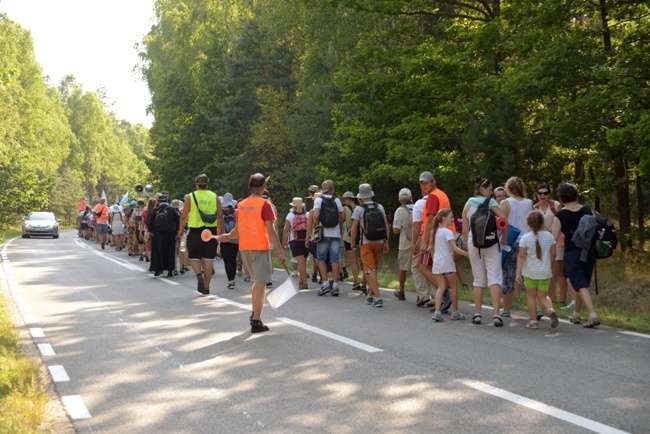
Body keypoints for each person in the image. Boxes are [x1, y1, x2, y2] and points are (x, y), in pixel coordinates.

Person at [217, 173, 286, 333]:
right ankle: (256, 321)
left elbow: (238, 229)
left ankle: (255, 315)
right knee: (261, 284)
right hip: (260, 247)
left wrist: (227, 237)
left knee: (257, 283)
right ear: (263, 188)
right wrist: (281, 253)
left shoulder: (241, 205)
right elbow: (271, 230)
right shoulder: (265, 205)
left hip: (246, 248)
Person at [551, 183, 601, 328]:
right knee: (582, 283)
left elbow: (554, 237)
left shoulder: (560, 215)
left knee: (579, 283)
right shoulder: (586, 209)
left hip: (572, 251)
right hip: (588, 250)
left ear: (561, 197)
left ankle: (592, 315)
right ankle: (576, 314)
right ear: (575, 195)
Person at [462, 177, 509, 327]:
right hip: (492, 243)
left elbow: (464, 230)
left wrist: (468, 247)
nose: (491, 192)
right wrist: (502, 238)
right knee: (495, 278)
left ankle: (477, 314)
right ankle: (496, 315)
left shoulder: (468, 204)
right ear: (482, 189)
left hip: (473, 242)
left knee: (478, 279)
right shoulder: (491, 203)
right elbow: (504, 222)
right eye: (490, 189)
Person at [177, 174, 224, 294]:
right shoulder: (215, 197)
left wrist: (181, 229)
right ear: (207, 184)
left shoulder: (191, 196)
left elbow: (184, 216)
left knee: (194, 257)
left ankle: (199, 275)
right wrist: (222, 230)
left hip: (195, 230)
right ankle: (207, 287)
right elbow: (220, 215)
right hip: (211, 231)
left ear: (197, 184)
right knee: (209, 258)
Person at [516, 210, 559, 329]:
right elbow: (553, 253)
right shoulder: (549, 236)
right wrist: (549, 264)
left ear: (528, 223)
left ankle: (533, 322)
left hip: (530, 272)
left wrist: (518, 272)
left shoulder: (525, 238)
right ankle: (550, 310)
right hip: (545, 272)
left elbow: (521, 256)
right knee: (543, 296)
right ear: (542, 222)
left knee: (531, 296)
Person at [351, 183, 390, 307]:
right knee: (373, 269)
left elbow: (354, 228)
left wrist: (353, 242)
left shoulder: (359, 209)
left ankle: (378, 298)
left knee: (370, 270)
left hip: (366, 242)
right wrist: (386, 241)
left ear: (361, 196)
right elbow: (386, 225)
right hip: (379, 241)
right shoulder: (380, 207)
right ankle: (369, 296)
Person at [499, 176, 533, 316]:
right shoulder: (529, 203)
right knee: (529, 275)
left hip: (511, 241)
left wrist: (501, 240)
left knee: (508, 274)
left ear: (508, 188)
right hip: (528, 241)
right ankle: (535, 307)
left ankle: (506, 308)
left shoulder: (505, 203)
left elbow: (503, 224)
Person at [429, 209, 469, 321]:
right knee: (454, 287)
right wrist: (467, 254)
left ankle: (437, 312)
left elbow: (431, 249)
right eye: (451, 217)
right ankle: (455, 311)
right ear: (444, 218)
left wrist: (435, 260)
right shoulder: (448, 232)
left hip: (438, 263)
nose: (453, 219)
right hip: (447, 263)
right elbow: (454, 248)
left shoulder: (435, 232)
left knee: (441, 287)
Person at [306, 179, 344, 296]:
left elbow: (316, 215)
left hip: (323, 234)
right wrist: (340, 229)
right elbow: (341, 216)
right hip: (336, 234)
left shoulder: (318, 200)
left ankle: (325, 284)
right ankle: (336, 285)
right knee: (335, 259)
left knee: (321, 259)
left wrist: (318, 224)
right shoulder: (337, 200)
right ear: (331, 189)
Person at [533, 183, 569, 305]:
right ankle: (551, 298)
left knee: (560, 271)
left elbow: (560, 222)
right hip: (542, 242)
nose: (543, 195)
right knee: (548, 270)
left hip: (556, 241)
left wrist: (550, 231)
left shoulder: (555, 205)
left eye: (545, 193)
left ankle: (563, 299)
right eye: (540, 193)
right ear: (537, 194)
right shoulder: (535, 207)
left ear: (549, 194)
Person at [411, 173, 437, 307]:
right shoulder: (440, 198)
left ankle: (423, 295)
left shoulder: (420, 204)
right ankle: (436, 295)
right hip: (438, 235)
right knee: (434, 266)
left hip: (424, 236)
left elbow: (417, 224)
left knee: (417, 266)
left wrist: (413, 242)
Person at [148, 193, 179, 277]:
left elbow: (150, 223)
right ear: (167, 201)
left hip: (157, 234)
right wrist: (176, 232)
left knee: (158, 251)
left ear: (158, 201)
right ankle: (170, 270)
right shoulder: (172, 210)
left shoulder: (155, 210)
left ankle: (158, 269)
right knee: (169, 251)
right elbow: (177, 222)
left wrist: (150, 231)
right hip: (169, 234)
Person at [283, 197, 310, 289]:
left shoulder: (290, 215)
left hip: (294, 240)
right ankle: (302, 281)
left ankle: (305, 283)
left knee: (301, 262)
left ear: (293, 206)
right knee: (304, 261)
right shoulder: (308, 214)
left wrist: (284, 241)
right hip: (306, 240)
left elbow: (286, 230)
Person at [392, 188, 413, 301]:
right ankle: (422, 294)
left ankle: (401, 291)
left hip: (405, 242)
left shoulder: (400, 210)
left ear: (400, 200)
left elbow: (396, 230)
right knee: (419, 269)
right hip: (418, 241)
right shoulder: (417, 207)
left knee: (403, 268)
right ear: (410, 198)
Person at [341, 191, 362, 291]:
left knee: (353, 261)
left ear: (349, 199)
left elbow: (341, 221)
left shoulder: (345, 209)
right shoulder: (360, 208)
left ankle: (356, 281)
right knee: (359, 259)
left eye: (344, 199)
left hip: (348, 237)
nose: (344, 201)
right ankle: (362, 281)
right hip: (360, 237)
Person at [220, 193, 239, 289]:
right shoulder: (236, 212)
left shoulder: (220, 213)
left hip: (224, 238)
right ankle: (233, 278)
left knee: (227, 261)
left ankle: (230, 281)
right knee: (233, 260)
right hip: (235, 239)